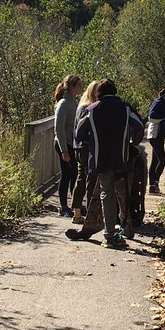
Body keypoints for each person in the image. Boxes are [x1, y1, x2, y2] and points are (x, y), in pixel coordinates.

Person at [66, 78, 144, 247]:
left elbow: (78, 133)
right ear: (114, 91)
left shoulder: (91, 109)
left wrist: (92, 140)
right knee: (123, 193)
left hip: (100, 158)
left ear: (99, 93)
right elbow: (139, 126)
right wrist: (132, 142)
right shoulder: (125, 108)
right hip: (121, 158)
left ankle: (109, 235)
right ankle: (127, 227)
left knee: (106, 194)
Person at [70, 79, 101, 224]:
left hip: (77, 147)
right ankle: (90, 214)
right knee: (91, 180)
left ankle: (77, 214)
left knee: (81, 179)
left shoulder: (80, 106)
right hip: (87, 147)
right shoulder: (90, 107)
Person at [53, 74, 83, 217]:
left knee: (74, 175)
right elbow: (59, 128)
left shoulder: (74, 102)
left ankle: (75, 205)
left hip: (72, 143)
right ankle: (63, 207)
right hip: (64, 144)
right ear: (71, 87)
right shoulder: (63, 104)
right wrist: (64, 150)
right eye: (78, 85)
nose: (81, 88)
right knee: (66, 175)